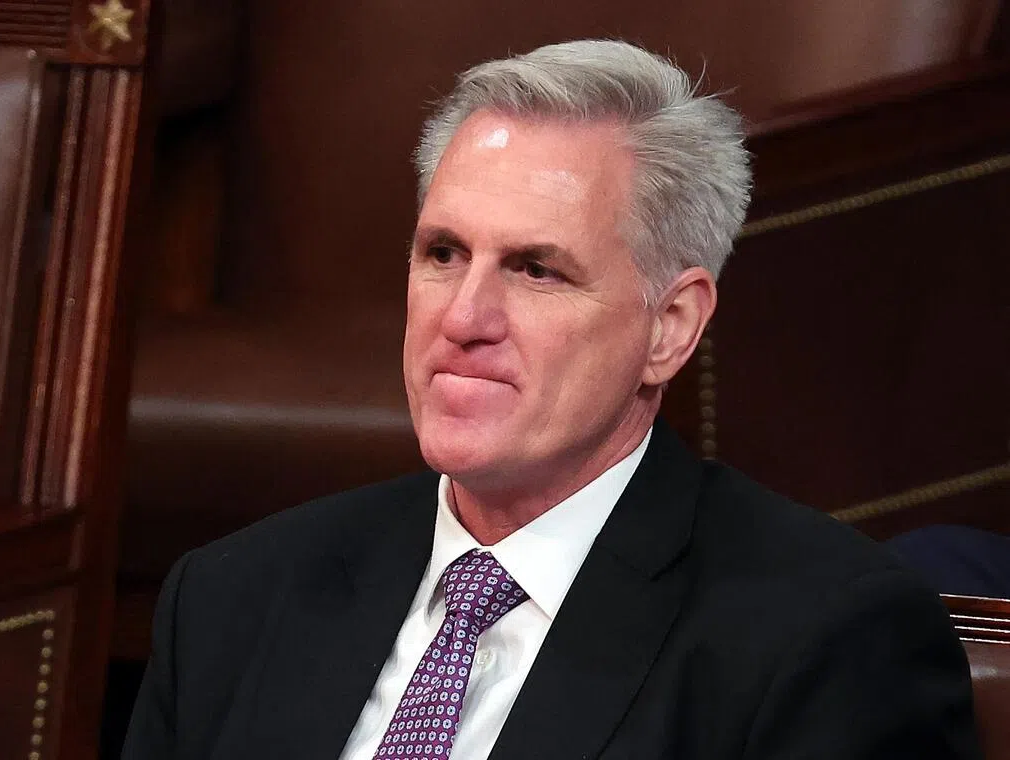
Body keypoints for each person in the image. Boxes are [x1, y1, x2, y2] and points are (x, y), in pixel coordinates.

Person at [121, 40, 980, 759]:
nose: (464, 319)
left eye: (536, 270)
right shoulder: (232, 598)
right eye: (444, 254)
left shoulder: (825, 641)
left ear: (670, 327)